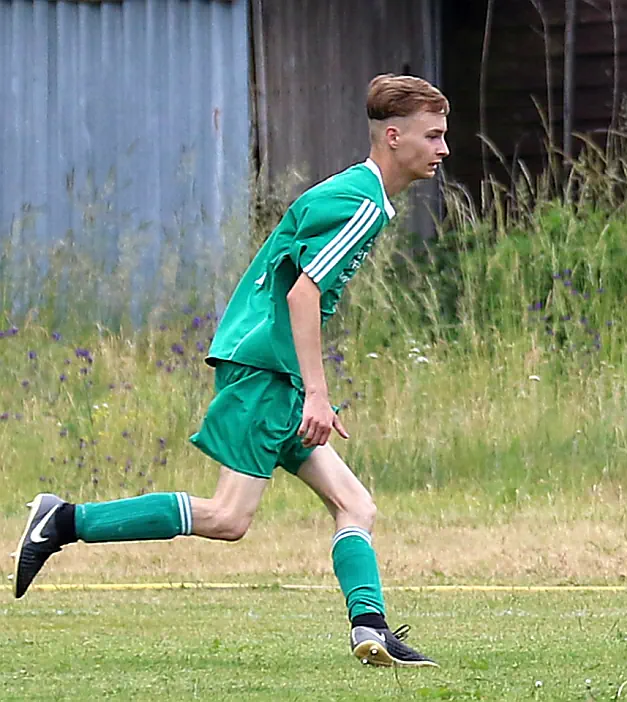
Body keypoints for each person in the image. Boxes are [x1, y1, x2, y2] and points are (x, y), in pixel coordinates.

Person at [11, 74, 452, 668]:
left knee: (355, 504)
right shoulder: (363, 203)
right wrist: (316, 393)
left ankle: (369, 629)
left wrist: (306, 387)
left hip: (272, 370)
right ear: (394, 137)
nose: (443, 148)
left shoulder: (358, 193)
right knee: (227, 517)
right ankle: (63, 521)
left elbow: (291, 284)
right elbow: (303, 295)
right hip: (264, 371)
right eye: (433, 135)